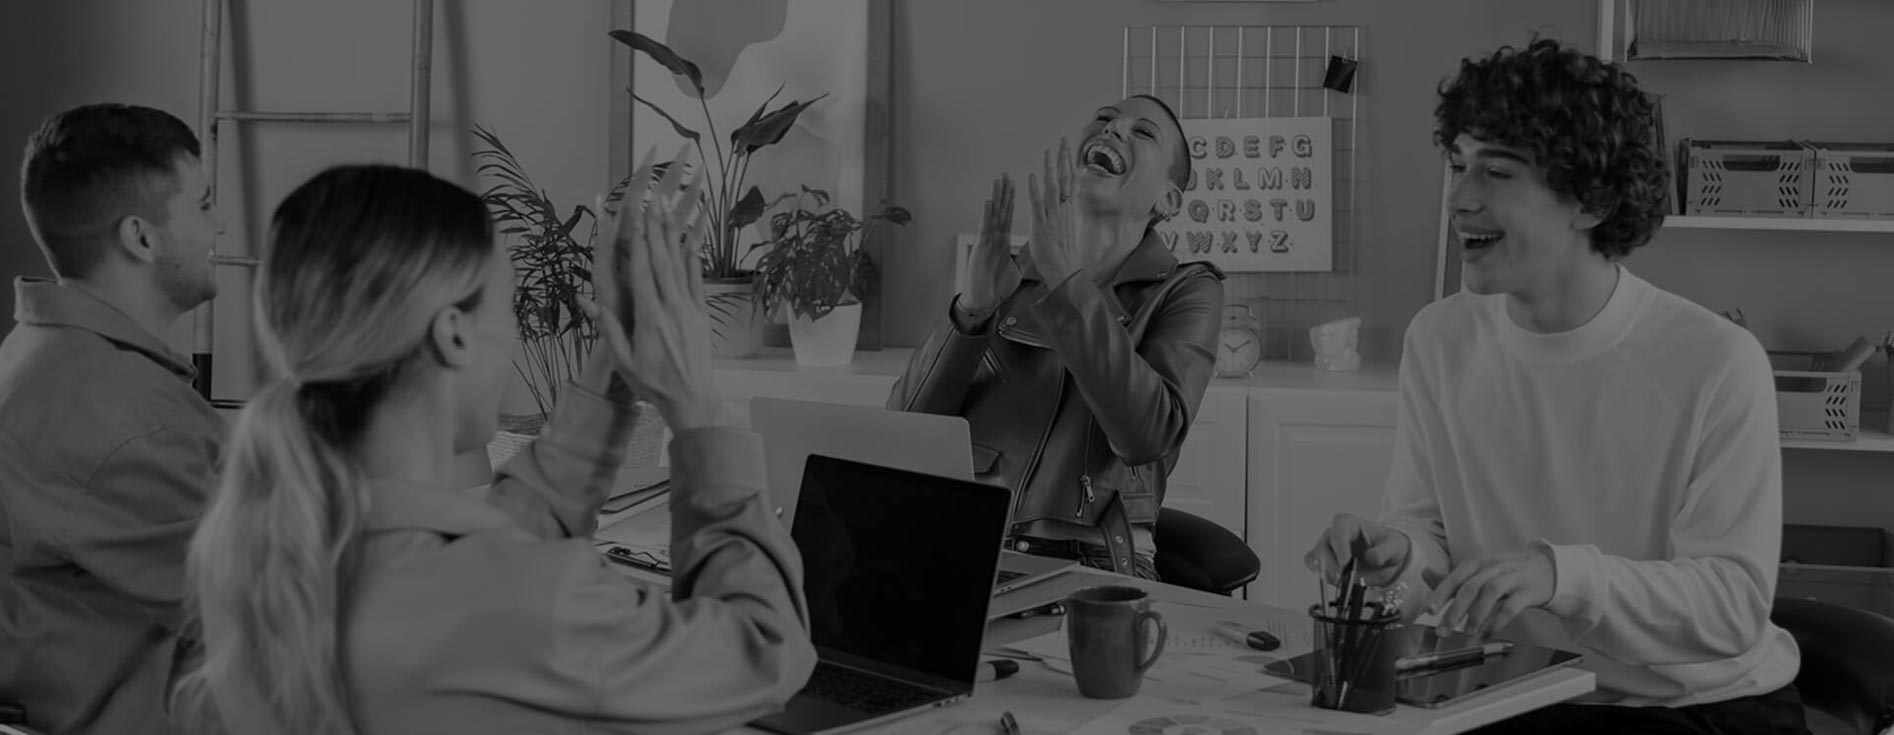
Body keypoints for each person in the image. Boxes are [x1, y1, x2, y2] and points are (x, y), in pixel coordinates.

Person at [171, 152, 815, 735]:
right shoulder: (511, 602)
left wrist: (612, 367)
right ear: (453, 334)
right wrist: (698, 409)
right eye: (507, 306)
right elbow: (766, 647)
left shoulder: (269, 549)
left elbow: (496, 559)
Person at [1305, 38, 1807, 734]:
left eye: (1496, 172)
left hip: (1699, 706)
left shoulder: (1717, 361)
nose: (1459, 199)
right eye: (1458, 165)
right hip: (1513, 689)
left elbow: (1731, 606)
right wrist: (1397, 558)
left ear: (1591, 200)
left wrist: (1561, 576)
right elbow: (1428, 532)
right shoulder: (1440, 339)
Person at [888, 95, 1225, 579]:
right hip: (964, 544)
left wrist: (1067, 284)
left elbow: (1147, 437)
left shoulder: (1187, 290)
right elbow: (903, 433)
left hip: (1092, 561)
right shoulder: (1006, 276)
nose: (1112, 129)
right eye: (1105, 119)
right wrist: (972, 312)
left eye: (1143, 132)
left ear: (1168, 200)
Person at [0, 103, 226, 735]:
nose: (221, 225)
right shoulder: (127, 419)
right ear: (141, 238)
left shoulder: (43, 356)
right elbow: (273, 594)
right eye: (204, 206)